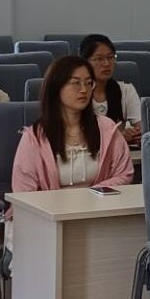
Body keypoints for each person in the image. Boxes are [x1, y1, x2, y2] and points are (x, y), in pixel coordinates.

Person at [12, 56, 134, 211]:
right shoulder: (35, 137)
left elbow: (124, 173)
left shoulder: (106, 128)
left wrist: (89, 197)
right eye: (76, 83)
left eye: (88, 83)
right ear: (57, 87)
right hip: (48, 214)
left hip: (97, 210)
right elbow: (24, 192)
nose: (84, 90)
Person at [80, 33, 142, 145]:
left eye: (110, 57)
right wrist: (118, 136)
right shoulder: (77, 93)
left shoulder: (126, 91)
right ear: (85, 62)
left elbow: (142, 128)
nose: (106, 63)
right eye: (99, 59)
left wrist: (134, 134)